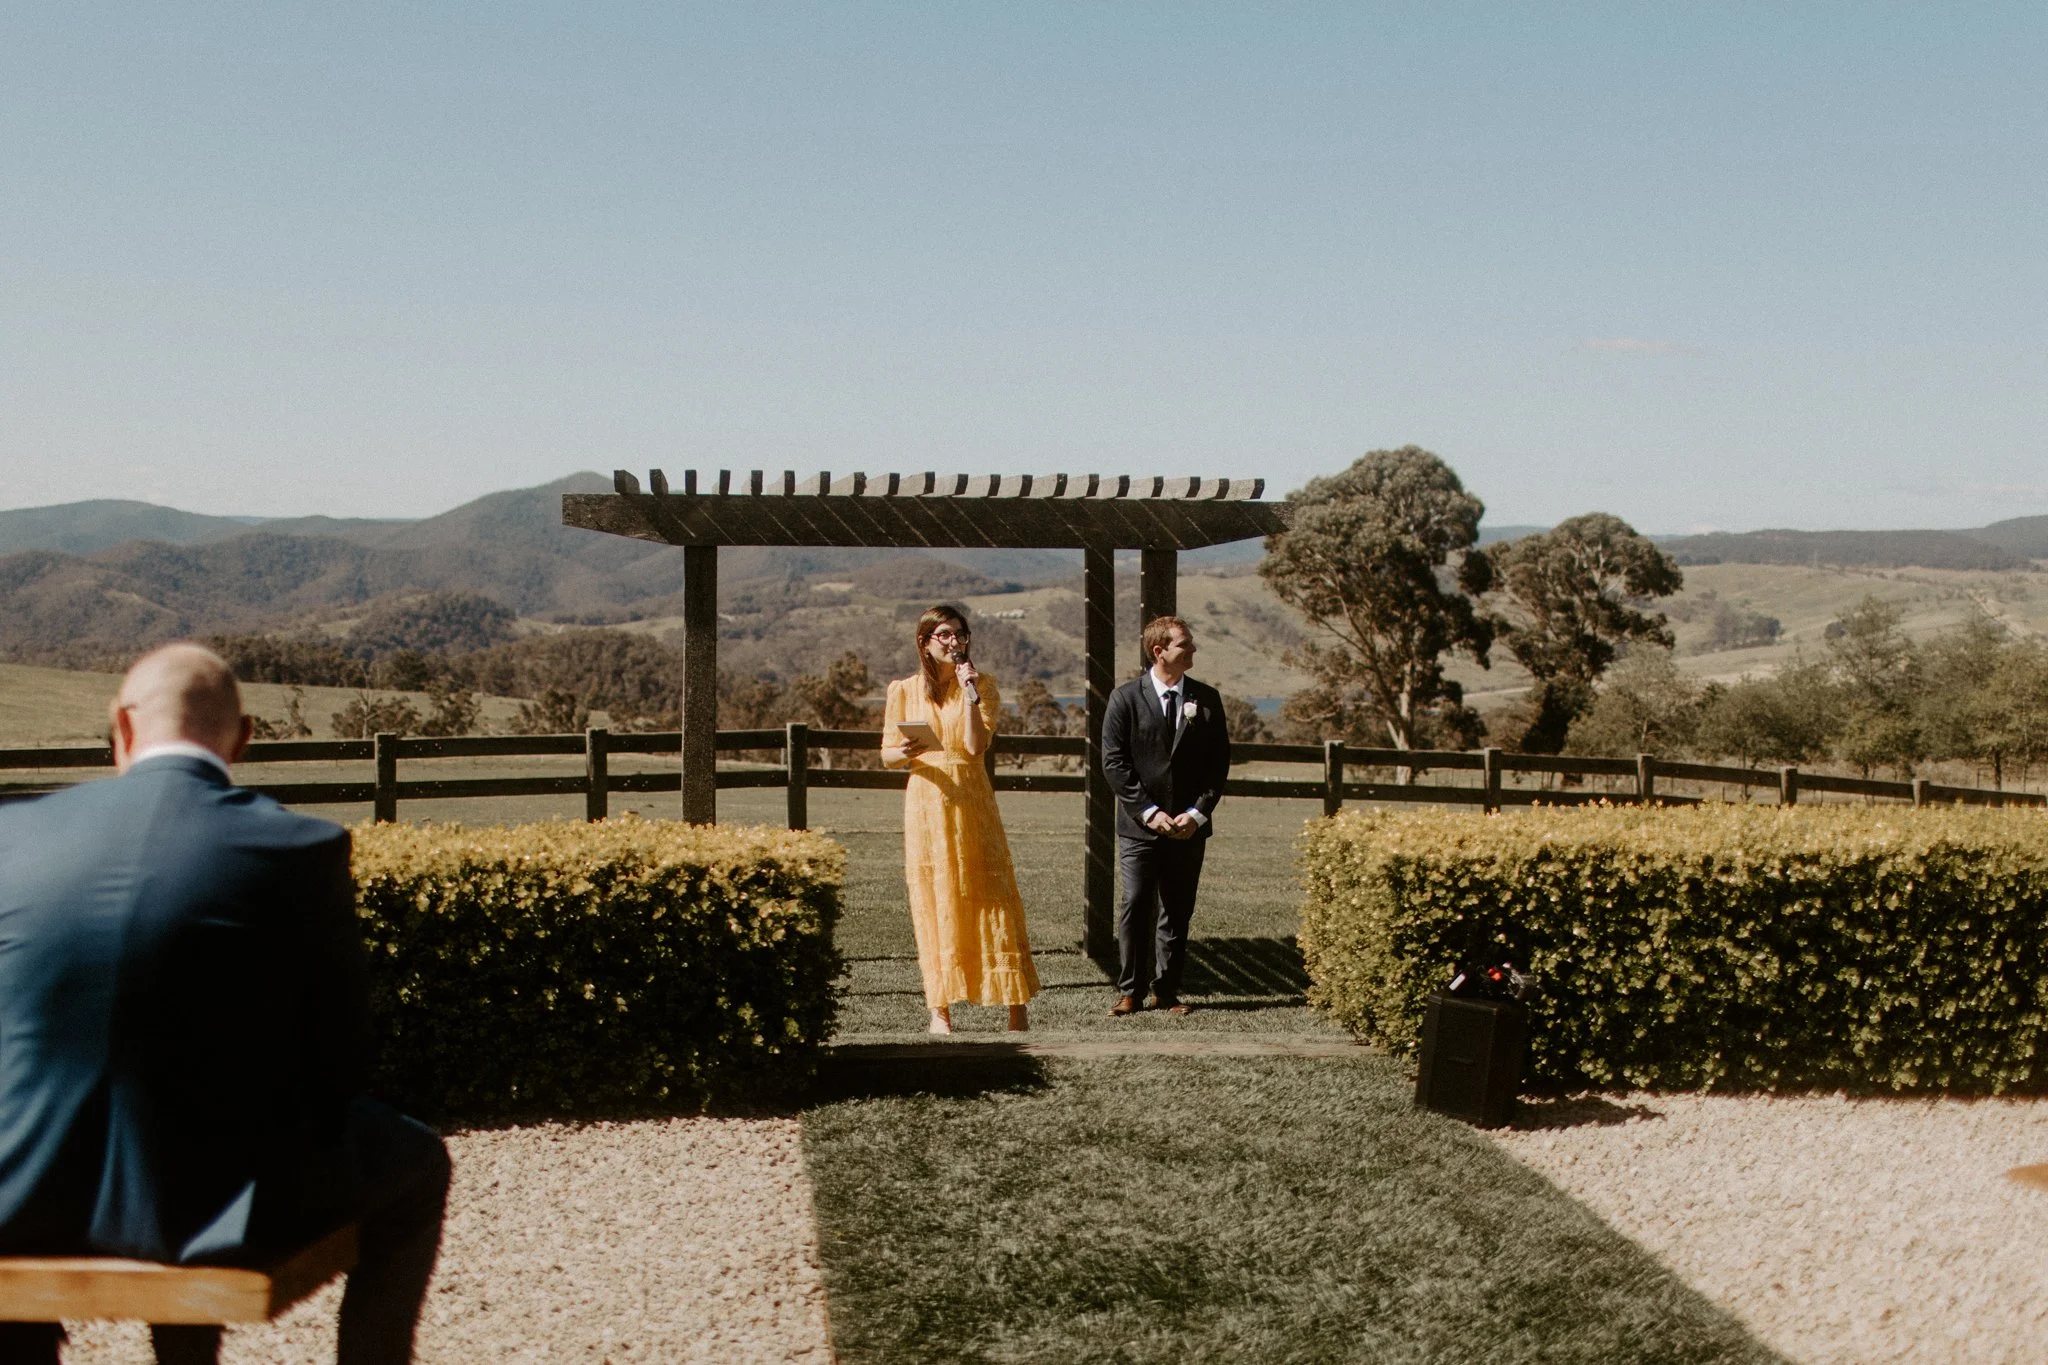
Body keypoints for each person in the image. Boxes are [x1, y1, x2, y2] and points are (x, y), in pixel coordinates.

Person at [0, 643, 450, 1365]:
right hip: (211, 1210)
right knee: (418, 1162)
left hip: (15, 1191)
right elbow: (341, 1063)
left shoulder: (12, 835)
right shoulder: (297, 846)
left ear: (122, 725)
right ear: (242, 739)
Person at [880, 606, 1040, 1034]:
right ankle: (940, 1011)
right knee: (936, 899)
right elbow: (887, 755)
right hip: (927, 801)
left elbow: (974, 746)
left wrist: (970, 694)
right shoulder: (903, 690)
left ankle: (1016, 1006)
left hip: (972, 799)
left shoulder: (982, 685)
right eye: (945, 635)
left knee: (992, 895)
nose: (955, 642)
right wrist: (906, 751)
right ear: (925, 641)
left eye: (960, 634)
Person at [1099, 616, 1232, 1017]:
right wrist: (1148, 811)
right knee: (1136, 903)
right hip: (1140, 828)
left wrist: (1197, 814)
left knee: (1177, 908)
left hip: (1188, 829)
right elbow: (1114, 763)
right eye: (1184, 645)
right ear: (1159, 651)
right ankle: (1130, 991)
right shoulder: (1124, 698)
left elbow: (1218, 765)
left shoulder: (1207, 699)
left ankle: (1168, 992)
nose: (1192, 650)